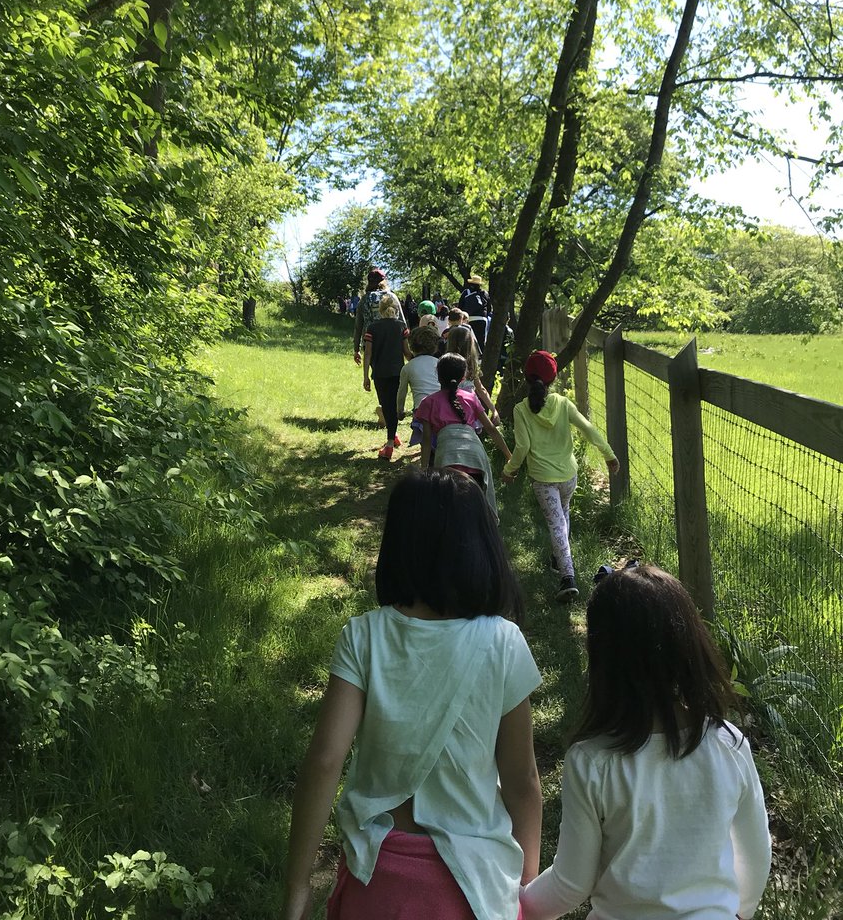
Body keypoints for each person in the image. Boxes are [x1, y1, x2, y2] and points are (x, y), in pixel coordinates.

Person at [281, 470, 543, 920]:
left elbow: (325, 759)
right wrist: (528, 881)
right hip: (474, 888)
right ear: (482, 547)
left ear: (397, 545)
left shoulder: (364, 636)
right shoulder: (504, 642)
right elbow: (522, 781)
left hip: (377, 878)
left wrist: (298, 884)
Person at [520, 562, 772, 920]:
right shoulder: (730, 746)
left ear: (603, 662)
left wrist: (518, 904)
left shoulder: (592, 762)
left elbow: (572, 883)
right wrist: (737, 912)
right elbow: (756, 857)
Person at [502, 351, 617, 602]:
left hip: (543, 479)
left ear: (526, 377)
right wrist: (608, 454)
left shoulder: (521, 410)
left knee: (556, 524)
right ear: (553, 378)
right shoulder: (563, 403)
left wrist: (509, 470)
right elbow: (587, 428)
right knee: (562, 516)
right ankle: (557, 557)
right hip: (568, 476)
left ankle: (567, 577)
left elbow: (521, 448)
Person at [416, 353, 512, 519]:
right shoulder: (471, 398)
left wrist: (424, 470)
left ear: (438, 376)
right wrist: (509, 456)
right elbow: (491, 429)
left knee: (449, 510)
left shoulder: (428, 402)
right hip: (475, 458)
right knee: (477, 509)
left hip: (448, 458)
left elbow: (425, 441)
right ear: (463, 377)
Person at [364, 295, 410, 459]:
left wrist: (366, 377)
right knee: (392, 406)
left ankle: (389, 445)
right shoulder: (401, 326)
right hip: (397, 372)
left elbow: (367, 354)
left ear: (380, 310)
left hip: (380, 373)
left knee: (386, 405)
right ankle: (394, 436)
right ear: (396, 309)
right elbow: (406, 352)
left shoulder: (372, 327)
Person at [445, 324, 499, 427]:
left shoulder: (445, 364)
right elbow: (481, 389)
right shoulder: (471, 366)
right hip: (469, 407)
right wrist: (493, 409)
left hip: (448, 407)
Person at [397, 324, 442, 446]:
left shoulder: (408, 367)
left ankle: (425, 462)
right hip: (441, 406)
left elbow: (402, 392)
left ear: (411, 346)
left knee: (425, 440)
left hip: (421, 409)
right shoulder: (439, 363)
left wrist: (400, 410)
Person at [353, 269, 404, 364]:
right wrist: (405, 346)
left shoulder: (364, 300)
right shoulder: (392, 297)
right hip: (392, 343)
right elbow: (402, 322)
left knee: (378, 374)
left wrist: (356, 350)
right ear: (384, 281)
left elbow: (358, 327)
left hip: (370, 343)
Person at [459, 275, 491, 353]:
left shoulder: (466, 292)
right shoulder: (485, 293)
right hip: (482, 319)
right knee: (481, 340)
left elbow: (460, 306)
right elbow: (489, 308)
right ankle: (481, 357)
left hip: (469, 319)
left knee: (469, 339)